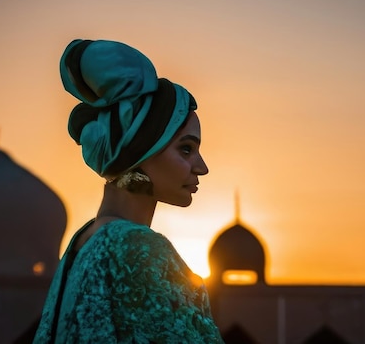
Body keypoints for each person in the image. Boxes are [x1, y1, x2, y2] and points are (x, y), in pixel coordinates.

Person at [33, 39, 224, 343]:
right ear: (142, 150)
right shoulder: (134, 247)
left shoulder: (83, 243)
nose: (201, 167)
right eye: (186, 149)